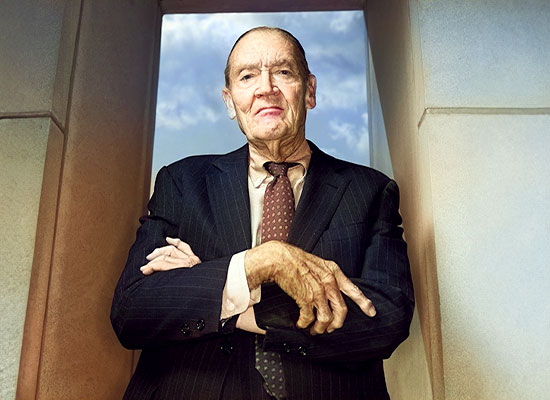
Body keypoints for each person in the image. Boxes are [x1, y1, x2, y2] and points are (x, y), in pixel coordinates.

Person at [111, 26, 414, 400]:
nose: (265, 87)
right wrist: (261, 263)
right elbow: (133, 310)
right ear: (229, 100)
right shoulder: (182, 182)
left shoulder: (370, 191)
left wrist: (230, 295)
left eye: (283, 73)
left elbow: (384, 319)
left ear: (310, 90)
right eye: (247, 76)